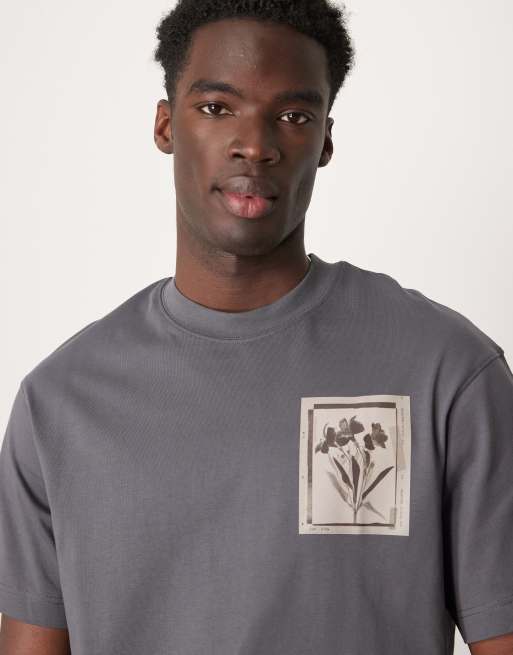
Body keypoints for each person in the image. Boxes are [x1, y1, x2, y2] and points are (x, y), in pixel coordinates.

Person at [0, 1, 512, 654]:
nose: (255, 145)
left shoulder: (445, 371)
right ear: (165, 125)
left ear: (325, 141)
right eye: (217, 107)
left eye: (293, 116)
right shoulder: (59, 402)